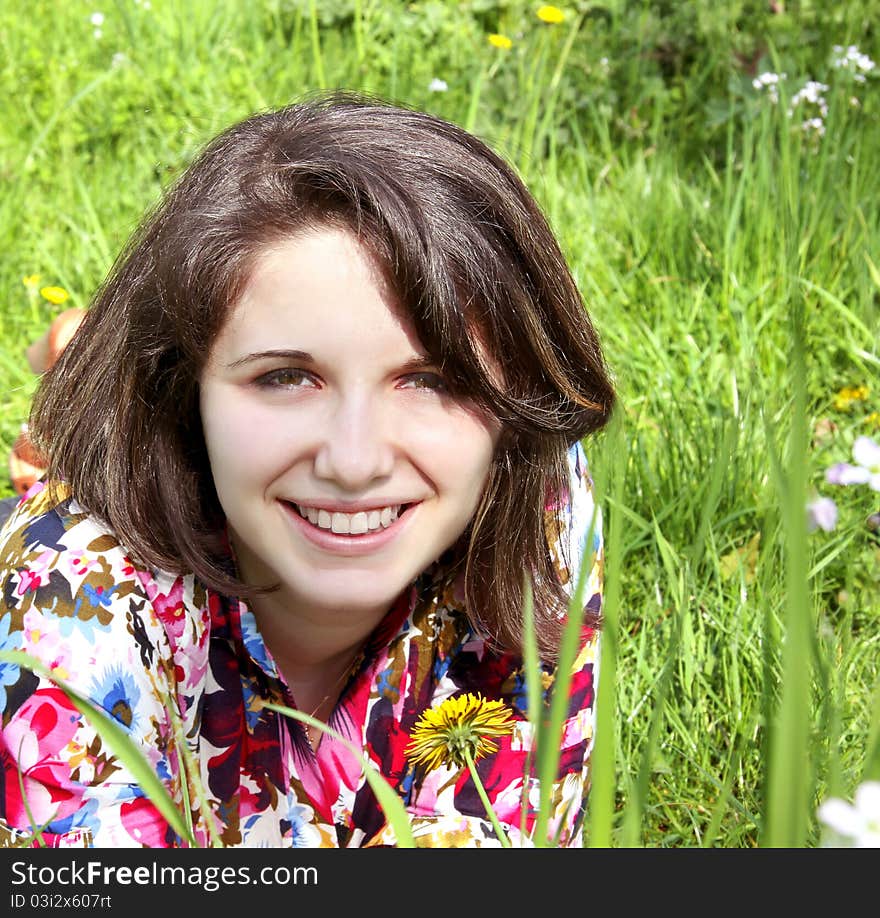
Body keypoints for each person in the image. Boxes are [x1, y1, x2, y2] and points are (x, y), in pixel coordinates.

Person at [0, 91, 615, 848]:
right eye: (286, 377)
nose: (354, 463)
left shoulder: (533, 487)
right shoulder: (68, 607)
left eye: (431, 380)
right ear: (182, 386)